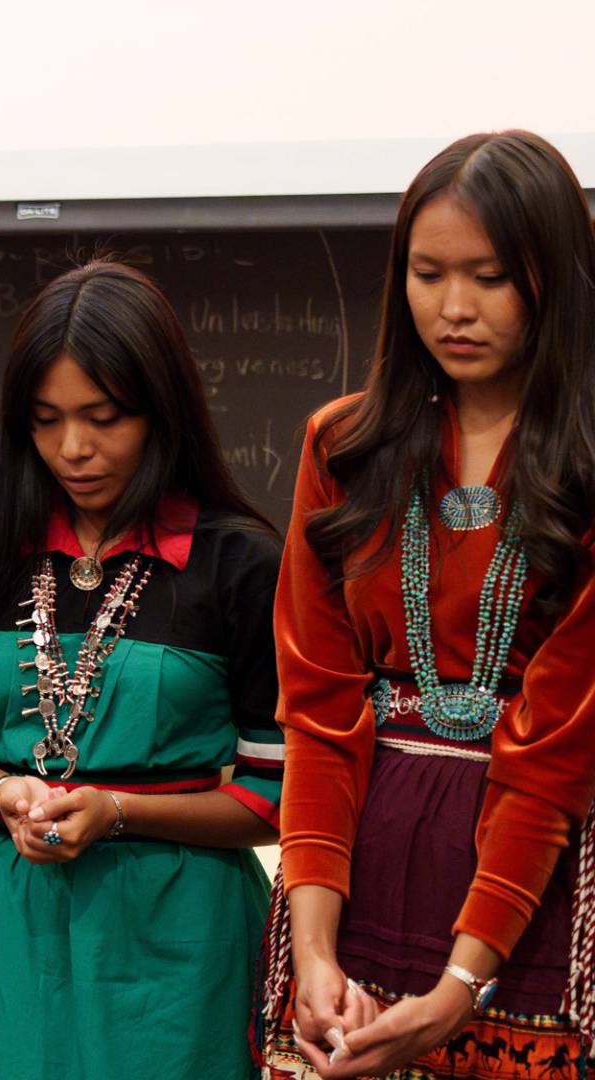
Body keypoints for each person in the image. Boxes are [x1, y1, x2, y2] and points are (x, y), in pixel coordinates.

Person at [0, 261, 285, 1078]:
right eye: (46, 420)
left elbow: (276, 796)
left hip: (179, 931)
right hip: (10, 915)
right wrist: (4, 791)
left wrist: (119, 810)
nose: (74, 449)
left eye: (105, 418)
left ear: (162, 411)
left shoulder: (238, 564)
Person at [257, 131, 595, 1079]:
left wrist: (459, 989)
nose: (453, 308)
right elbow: (320, 715)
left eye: (491, 277)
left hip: (534, 889)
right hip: (352, 874)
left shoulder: (587, 468)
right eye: (427, 273)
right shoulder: (345, 446)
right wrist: (314, 952)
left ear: (556, 281)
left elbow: (555, 754)